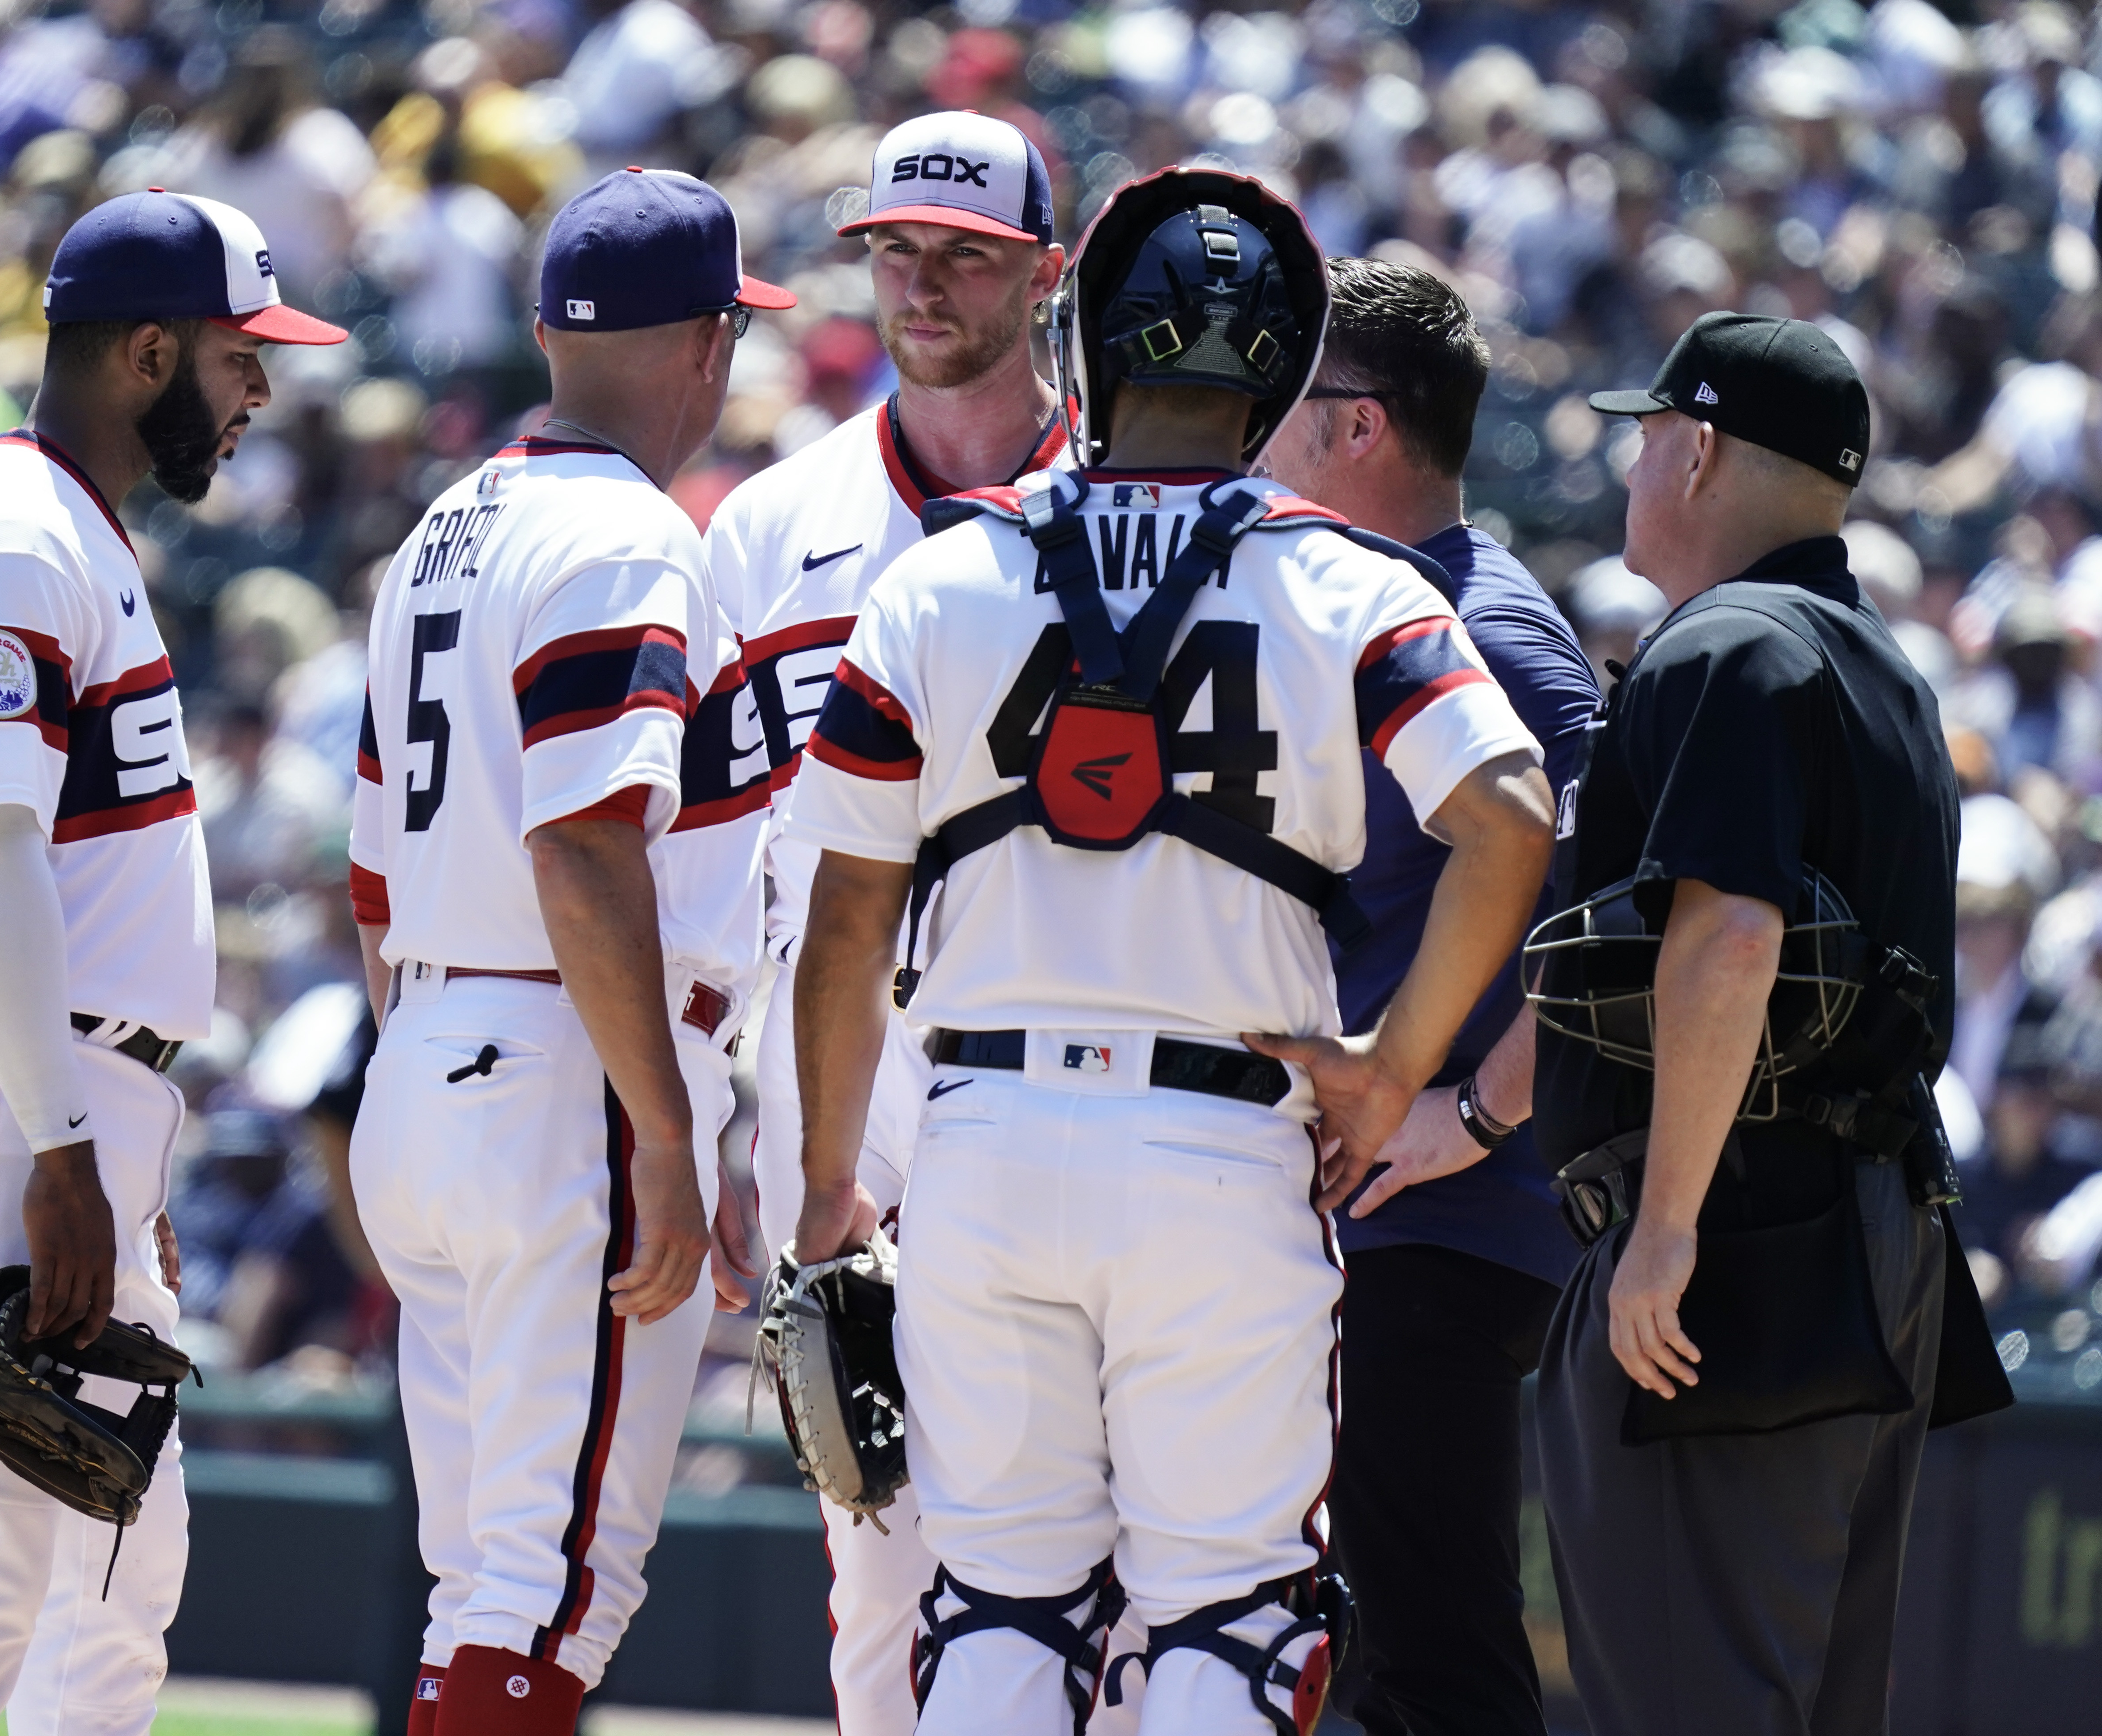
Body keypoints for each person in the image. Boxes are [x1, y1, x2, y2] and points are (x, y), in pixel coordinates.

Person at [785, 167, 1555, 1736]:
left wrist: (821, 1182)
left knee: (996, 1609)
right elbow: (1514, 812)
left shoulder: (936, 574)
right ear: (1272, 373)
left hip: (980, 1143)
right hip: (1225, 1141)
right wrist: (1395, 1070)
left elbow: (847, 909)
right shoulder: (1354, 581)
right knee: (1229, 1616)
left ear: (1087, 348)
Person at [0, 189, 345, 1736]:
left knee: (117, 1565)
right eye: (243, 359)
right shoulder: (8, 533)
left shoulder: (68, 530)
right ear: (151, 351)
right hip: (5, 1089)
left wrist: (88, 1137)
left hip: (64, 1091)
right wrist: (55, 1142)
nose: (260, 394)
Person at [344, 167, 787, 1736]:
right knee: (551, 1589)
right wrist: (664, 1123)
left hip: (431, 1055)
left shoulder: (439, 533)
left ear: (547, 330)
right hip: (574, 1066)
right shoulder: (629, 533)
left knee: (483, 1581)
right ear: (714, 342)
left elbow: (371, 880)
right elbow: (585, 839)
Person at [1538, 312, 1964, 1734]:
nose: (1637, 463)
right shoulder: (1886, 669)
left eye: (1650, 433)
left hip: (1735, 1228)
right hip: (1874, 1222)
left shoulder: (1724, 644)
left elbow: (1729, 937)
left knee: (1693, 1698)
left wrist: (1665, 1226)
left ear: (1702, 447)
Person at [702, 107, 1067, 1734]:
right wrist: (724, 1123)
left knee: (1085, 1543)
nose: (923, 282)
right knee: (877, 1539)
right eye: (897, 248)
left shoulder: (1135, 505)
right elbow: (713, 854)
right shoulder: (772, 523)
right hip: (831, 1060)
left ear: (1044, 274)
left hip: (1051, 1046)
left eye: (966, 255)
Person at [1256, 257, 1598, 1736]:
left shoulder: (1494, 630)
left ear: (1359, 427)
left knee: (1434, 1640)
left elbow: (1609, 925)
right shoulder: (1369, 603)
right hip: (1373, 1207)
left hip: (1446, 1221)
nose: (1255, 427)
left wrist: (1472, 1108)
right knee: (1368, 1640)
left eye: (1285, 399)